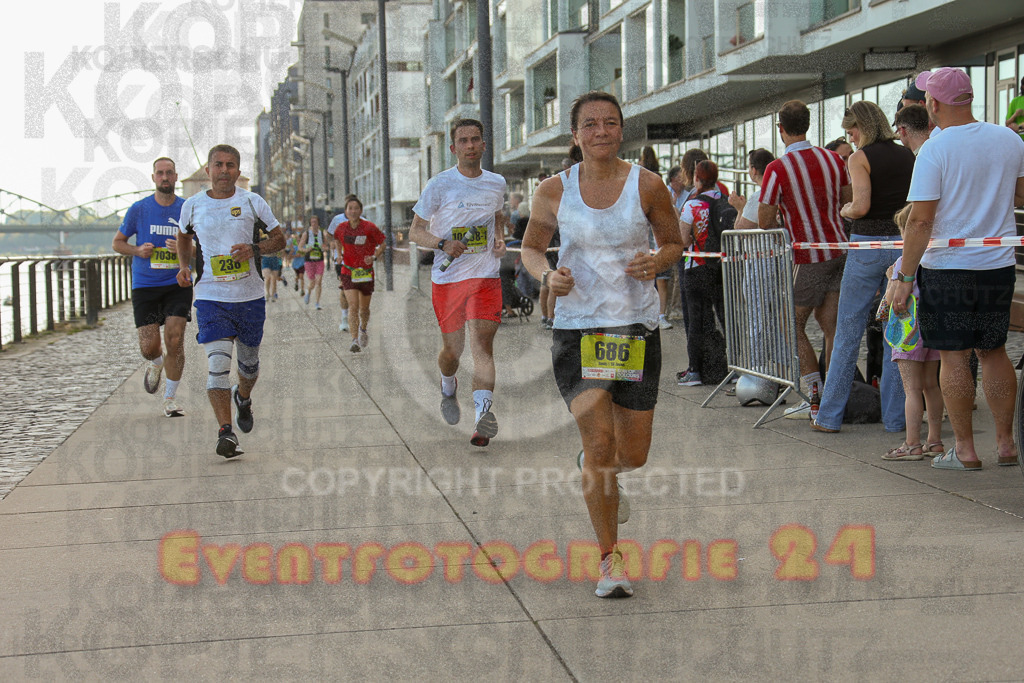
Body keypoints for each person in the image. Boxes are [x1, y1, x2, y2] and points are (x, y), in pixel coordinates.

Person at [521, 91, 683, 599]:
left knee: (632, 453)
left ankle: (600, 471)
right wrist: (548, 276)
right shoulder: (553, 190)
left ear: (621, 130)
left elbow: (674, 243)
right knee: (599, 445)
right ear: (575, 135)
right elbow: (531, 249)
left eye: (610, 123)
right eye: (589, 124)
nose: (600, 131)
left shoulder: (648, 185)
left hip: (634, 328)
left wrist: (657, 261)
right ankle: (610, 558)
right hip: (579, 329)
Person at [892, 67, 1024, 471]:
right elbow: (1020, 195)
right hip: (997, 264)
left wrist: (904, 277)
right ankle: (1006, 444)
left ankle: (965, 449)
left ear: (932, 104)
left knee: (953, 356)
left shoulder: (935, 148)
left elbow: (920, 221)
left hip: (947, 269)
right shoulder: (1009, 139)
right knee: (994, 350)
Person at [811, 100, 914, 435]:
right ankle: (896, 419)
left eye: (851, 130)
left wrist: (845, 210)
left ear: (863, 126)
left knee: (847, 332)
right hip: (901, 246)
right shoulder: (907, 155)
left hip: (866, 247)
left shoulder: (859, 158)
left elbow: (862, 205)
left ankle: (829, 417)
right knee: (897, 335)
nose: (850, 138)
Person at [175, 144, 285, 458]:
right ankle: (226, 432)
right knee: (217, 366)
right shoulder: (193, 206)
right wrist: (184, 265)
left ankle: (243, 398)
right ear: (208, 170)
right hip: (211, 297)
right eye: (219, 165)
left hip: (249, 298)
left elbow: (279, 239)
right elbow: (183, 236)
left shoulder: (252, 201)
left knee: (248, 368)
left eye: (231, 165)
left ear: (238, 170)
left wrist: (254, 249)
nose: (224, 170)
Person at [407, 118, 509, 447]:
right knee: (453, 351)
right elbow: (415, 232)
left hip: (485, 277)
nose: (470, 145)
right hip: (448, 280)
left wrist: (499, 239)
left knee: (482, 347)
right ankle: (447, 383)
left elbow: (497, 216)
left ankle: (482, 418)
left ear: (483, 145)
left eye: (475, 139)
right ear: (453, 148)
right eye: (463, 141)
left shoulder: (496, 183)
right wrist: (443, 244)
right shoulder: (439, 184)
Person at [759, 100, 852, 419]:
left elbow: (764, 220)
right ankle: (834, 399)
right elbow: (847, 202)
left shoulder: (777, 168)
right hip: (839, 249)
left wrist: (787, 217)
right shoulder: (833, 159)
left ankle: (814, 395)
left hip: (808, 254)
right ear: (808, 125)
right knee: (831, 326)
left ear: (781, 129)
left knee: (790, 324)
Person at [112, 156, 189, 417]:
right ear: (154, 177)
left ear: (176, 177)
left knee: (175, 339)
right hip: (145, 284)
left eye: (169, 172)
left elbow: (201, 246)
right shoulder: (139, 209)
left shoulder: (186, 208)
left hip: (177, 282)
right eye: (160, 173)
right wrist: (136, 250)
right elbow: (117, 243)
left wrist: (183, 248)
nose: (165, 177)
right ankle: (156, 362)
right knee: (148, 347)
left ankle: (170, 398)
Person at [879, 204, 944, 461]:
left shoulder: (902, 264)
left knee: (912, 390)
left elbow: (889, 302)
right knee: (932, 385)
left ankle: (912, 443)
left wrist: (890, 279)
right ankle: (934, 441)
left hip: (908, 332)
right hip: (933, 327)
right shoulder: (935, 259)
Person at [677, 160, 730, 387]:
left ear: (696, 179)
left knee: (696, 320)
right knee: (727, 317)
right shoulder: (725, 201)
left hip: (696, 267)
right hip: (721, 267)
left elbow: (683, 239)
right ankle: (736, 367)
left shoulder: (692, 205)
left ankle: (695, 370)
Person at [329, 195, 385, 353]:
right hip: (348, 271)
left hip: (365, 272)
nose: (353, 211)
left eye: (356, 208)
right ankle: (354, 340)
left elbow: (383, 243)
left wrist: (374, 257)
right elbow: (336, 239)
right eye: (350, 209)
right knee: (353, 306)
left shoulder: (369, 227)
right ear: (346, 211)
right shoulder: (341, 228)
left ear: (360, 210)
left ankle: (363, 329)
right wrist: (339, 254)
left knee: (364, 309)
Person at [298, 215, 327, 310]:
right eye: (312, 222)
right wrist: (306, 250)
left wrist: (325, 248)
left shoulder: (322, 233)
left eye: (315, 222)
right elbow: (300, 247)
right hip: (309, 261)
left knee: (319, 281)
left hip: (320, 260)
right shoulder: (306, 234)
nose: (314, 224)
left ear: (318, 223)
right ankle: (308, 292)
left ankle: (317, 303)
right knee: (312, 282)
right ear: (310, 223)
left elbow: (327, 245)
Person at [1004, 76, 1024, 142]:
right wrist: (1015, 115)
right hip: (1018, 140)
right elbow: (1007, 123)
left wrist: (1019, 127)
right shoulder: (1015, 101)